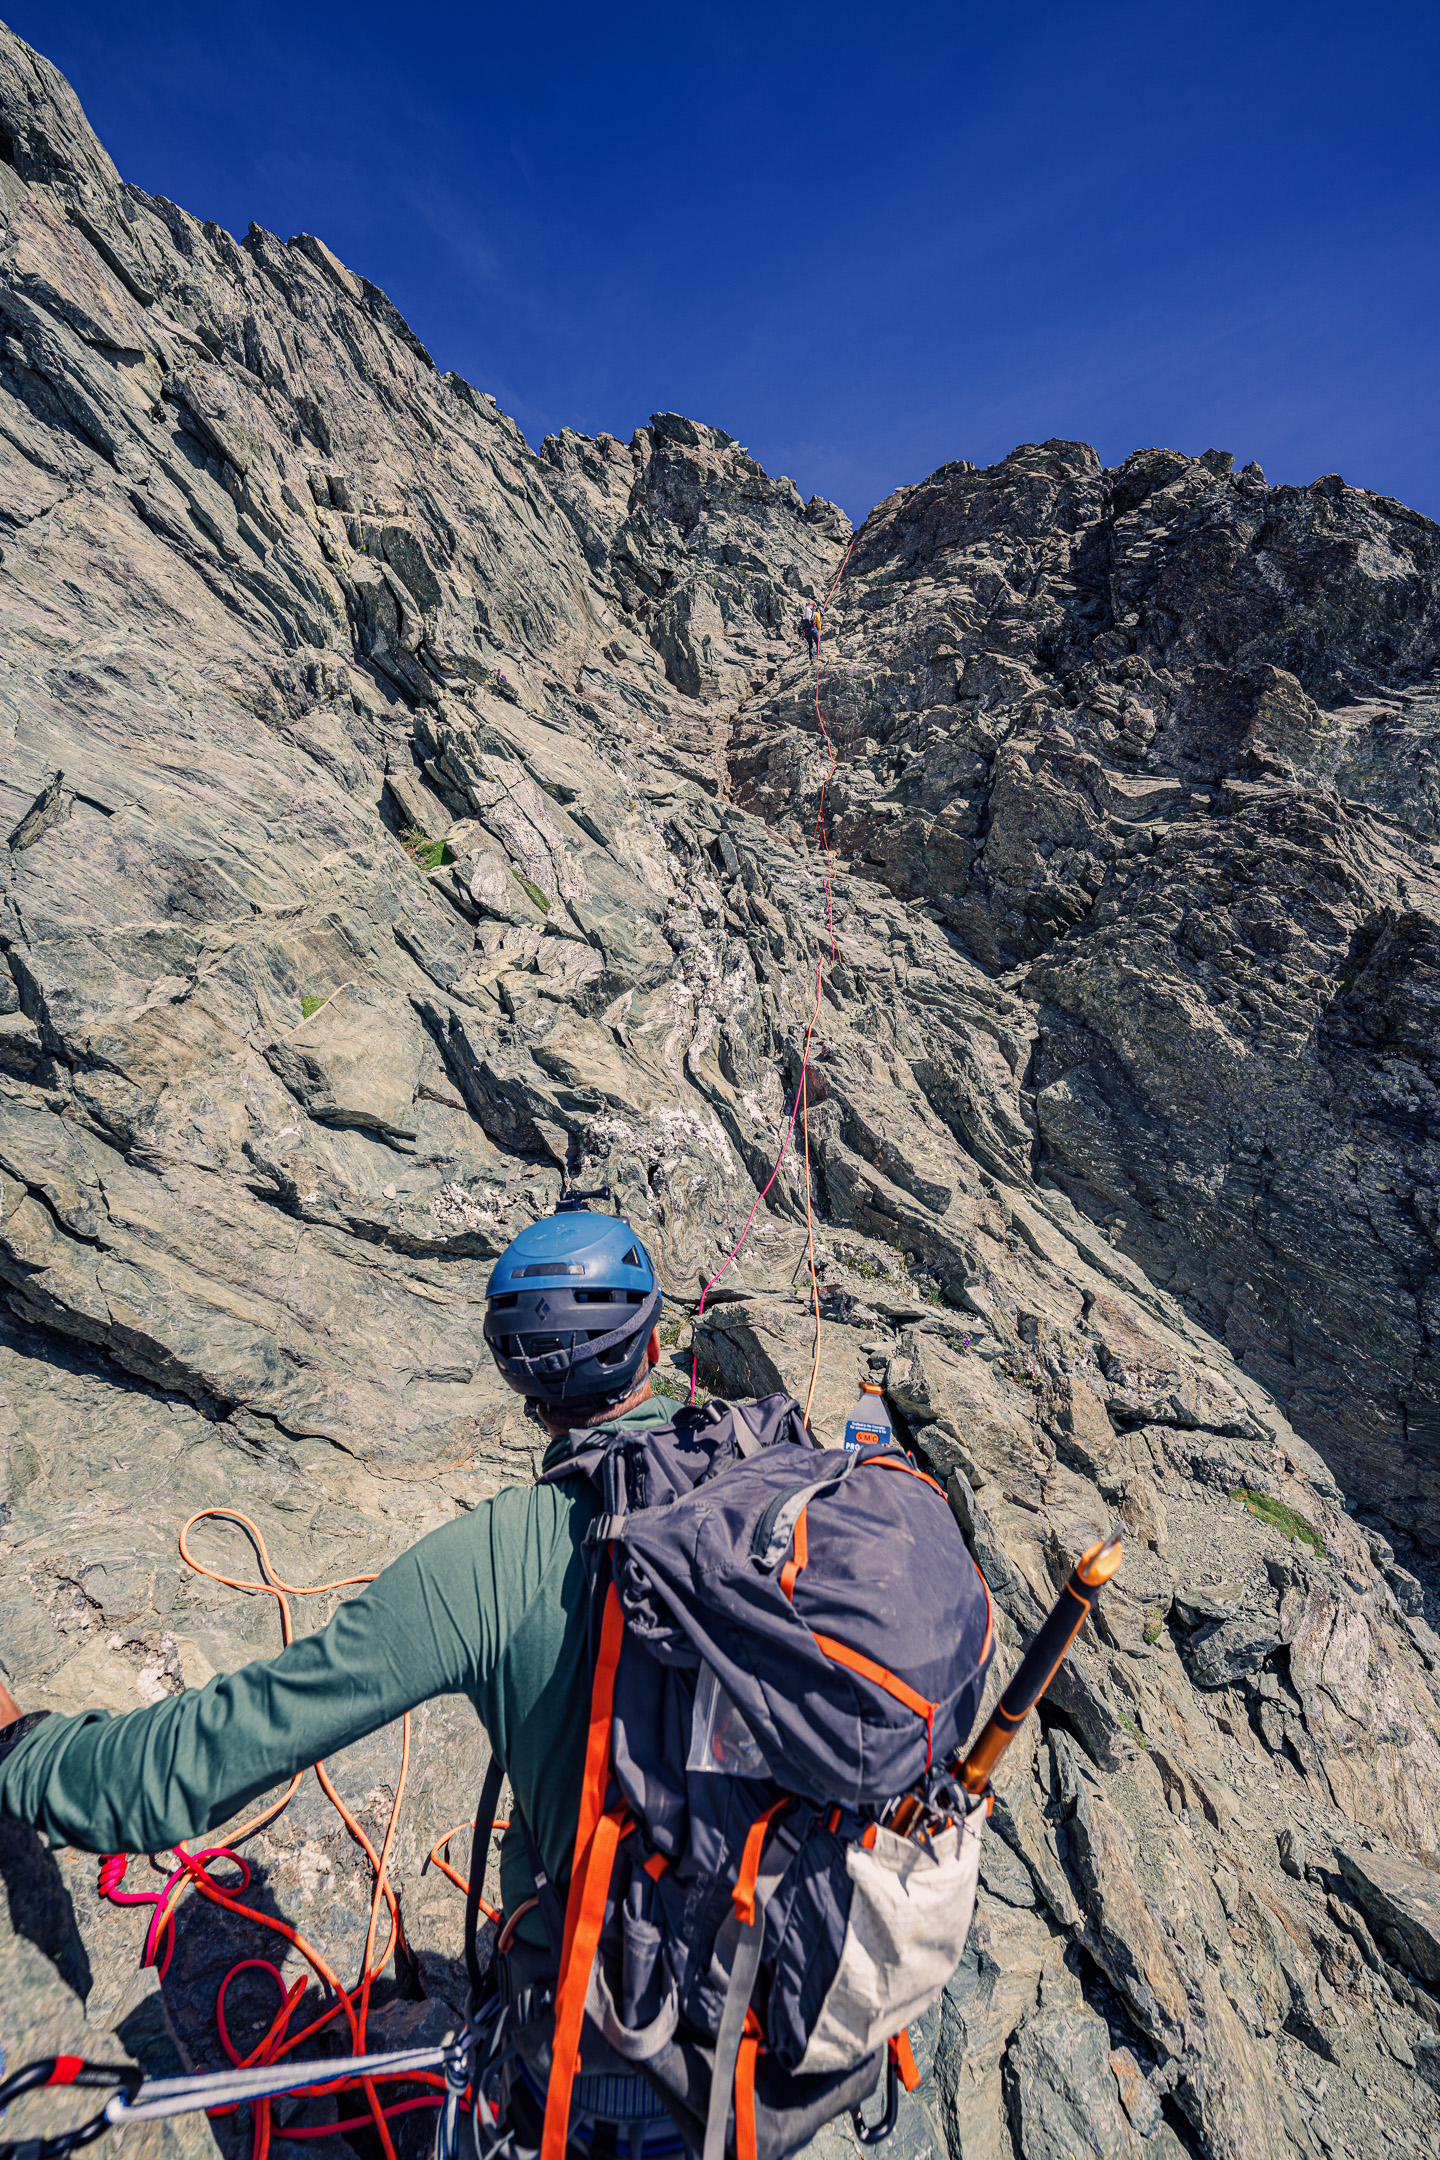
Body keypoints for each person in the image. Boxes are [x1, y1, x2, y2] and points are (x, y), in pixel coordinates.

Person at [0, 1207, 669, 1937]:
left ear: (516, 1382)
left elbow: (231, 1740)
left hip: (626, 2017)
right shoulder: (793, 1487)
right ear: (656, 1346)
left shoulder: (491, 1561)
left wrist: (25, 1754)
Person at [800, 597, 821, 662]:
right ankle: (819, 655)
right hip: (813, 629)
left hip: (806, 632)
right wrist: (819, 629)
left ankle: (811, 659)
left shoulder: (804, 615)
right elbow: (818, 622)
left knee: (810, 645)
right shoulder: (815, 613)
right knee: (818, 643)